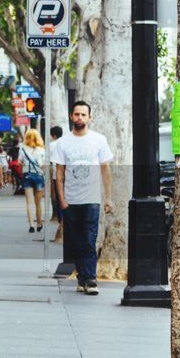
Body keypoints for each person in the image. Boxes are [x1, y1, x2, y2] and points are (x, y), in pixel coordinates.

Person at [51, 102, 113, 295]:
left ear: (89, 118)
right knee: (76, 241)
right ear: (71, 116)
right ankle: (81, 278)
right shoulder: (62, 143)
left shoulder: (99, 140)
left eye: (83, 114)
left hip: (92, 199)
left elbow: (105, 169)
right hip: (70, 199)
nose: (80, 117)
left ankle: (90, 279)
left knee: (89, 239)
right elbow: (59, 173)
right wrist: (61, 200)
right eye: (77, 114)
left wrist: (108, 198)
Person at [19, 128, 48, 233]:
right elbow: (44, 166)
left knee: (29, 203)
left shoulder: (22, 149)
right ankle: (39, 223)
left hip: (27, 175)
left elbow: (20, 162)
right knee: (38, 203)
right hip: (39, 176)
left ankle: (31, 225)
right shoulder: (42, 150)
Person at [48, 125, 65, 243]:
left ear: (53, 135)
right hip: (67, 176)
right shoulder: (65, 143)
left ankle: (61, 221)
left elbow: (50, 162)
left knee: (59, 200)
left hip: (55, 175)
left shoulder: (52, 145)